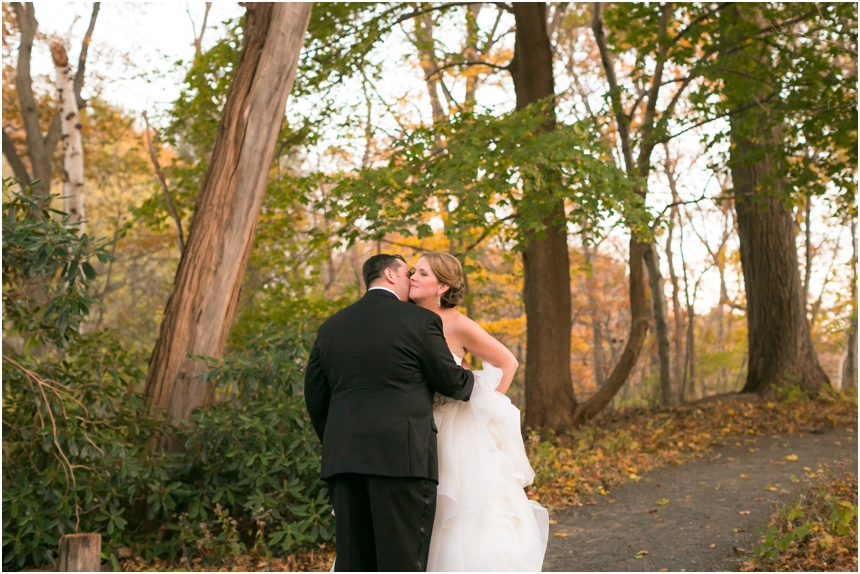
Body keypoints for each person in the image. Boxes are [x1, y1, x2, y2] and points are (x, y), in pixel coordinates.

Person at [304, 253, 475, 572]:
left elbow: (314, 395)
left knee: (355, 562)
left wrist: (339, 440)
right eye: (407, 271)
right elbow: (450, 383)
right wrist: (467, 374)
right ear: (389, 274)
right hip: (402, 458)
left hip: (345, 460)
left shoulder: (331, 327)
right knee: (401, 559)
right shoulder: (420, 321)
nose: (411, 278)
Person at [409, 251, 549, 572]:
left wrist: (484, 407)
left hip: (456, 429)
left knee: (460, 508)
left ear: (442, 287)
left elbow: (507, 363)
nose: (413, 277)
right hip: (416, 423)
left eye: (422, 273)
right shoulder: (402, 317)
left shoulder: (458, 323)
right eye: (413, 271)